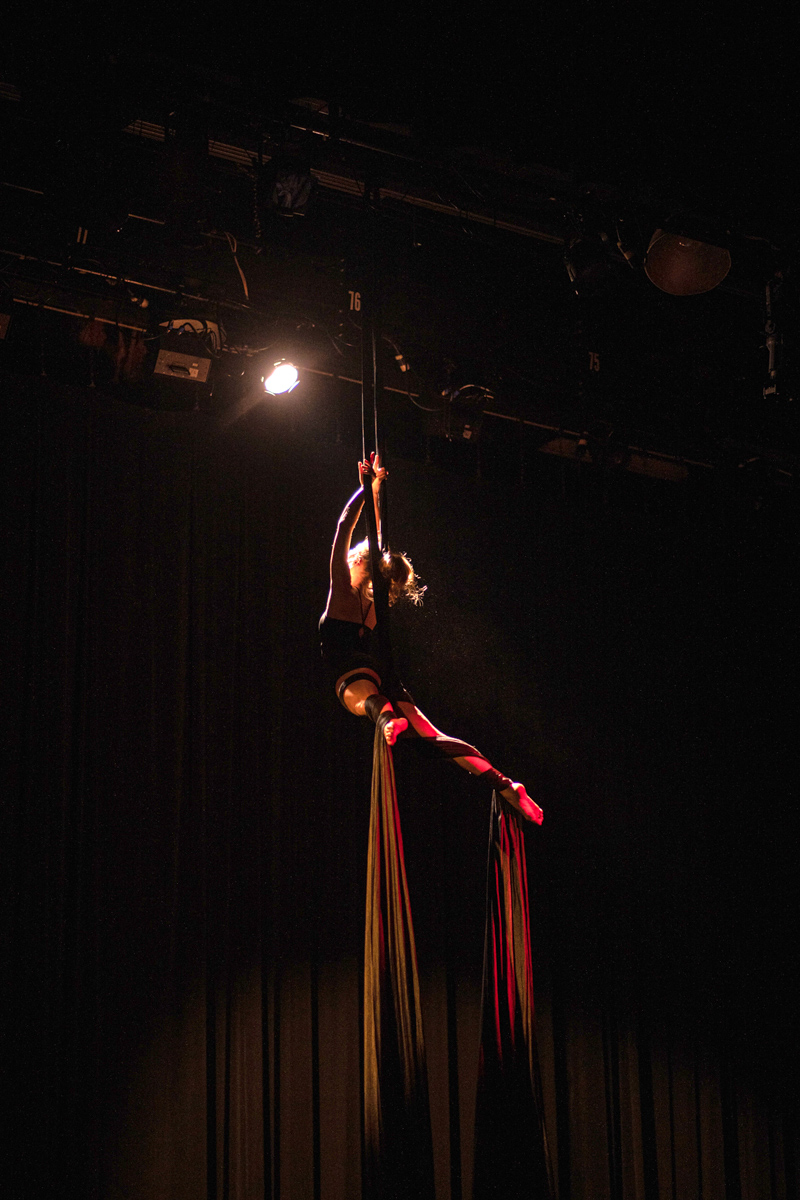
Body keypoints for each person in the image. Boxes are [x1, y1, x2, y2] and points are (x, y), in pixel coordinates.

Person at [319, 455, 543, 825]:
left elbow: (345, 525)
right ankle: (504, 784)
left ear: (358, 561)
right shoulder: (374, 603)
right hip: (382, 672)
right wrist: (374, 493)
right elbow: (374, 537)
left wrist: (366, 490)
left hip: (354, 672)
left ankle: (386, 720)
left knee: (360, 701)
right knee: (435, 739)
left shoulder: (342, 588)